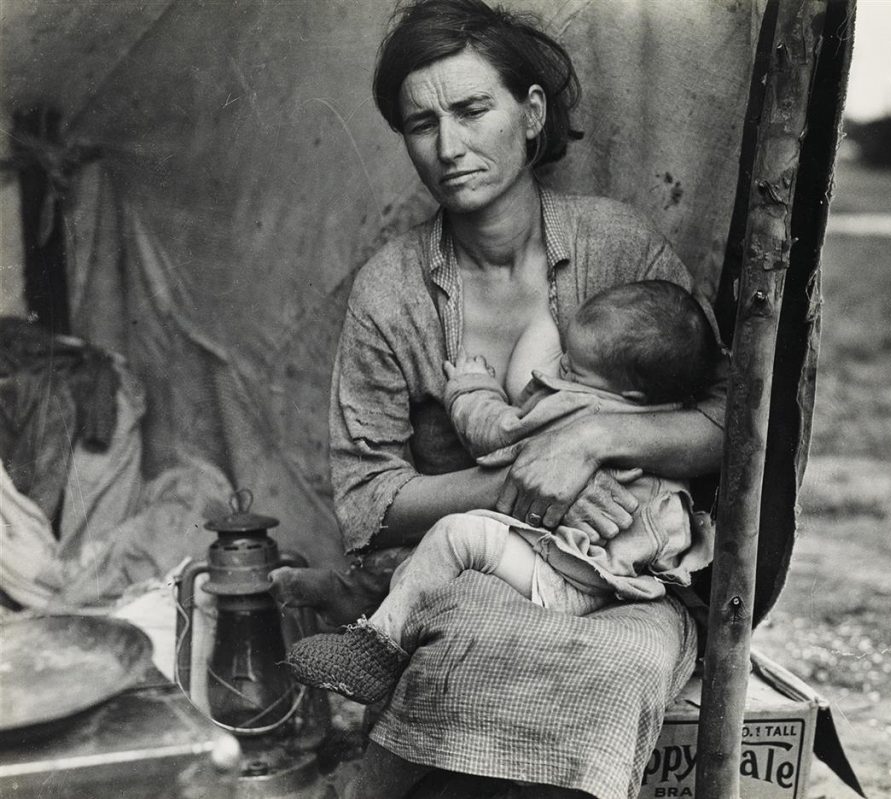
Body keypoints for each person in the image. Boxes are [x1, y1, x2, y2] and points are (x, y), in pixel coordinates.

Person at [271, 1, 729, 796]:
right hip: (479, 572)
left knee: (623, 665)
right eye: (421, 124)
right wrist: (520, 483)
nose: (449, 146)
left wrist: (588, 446)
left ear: (530, 113)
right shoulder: (392, 292)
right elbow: (366, 502)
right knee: (471, 647)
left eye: (472, 109)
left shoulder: (618, 248)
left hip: (627, 582)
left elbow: (729, 425)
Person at [285, 280, 719, 706]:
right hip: (611, 572)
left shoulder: (581, 406)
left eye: (571, 368)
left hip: (573, 578)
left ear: (629, 393)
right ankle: (360, 598)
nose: (559, 368)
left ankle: (375, 653)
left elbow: (497, 434)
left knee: (457, 536)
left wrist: (472, 387)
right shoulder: (665, 417)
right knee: (447, 559)